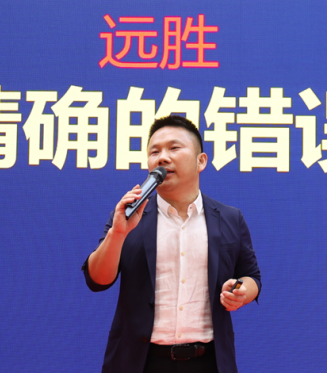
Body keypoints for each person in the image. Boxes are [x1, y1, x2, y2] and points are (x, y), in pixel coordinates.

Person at [82, 115, 262, 373]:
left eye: (174, 148)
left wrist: (242, 291)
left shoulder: (230, 218)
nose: (162, 158)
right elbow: (97, 280)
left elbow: (252, 277)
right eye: (154, 152)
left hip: (209, 361)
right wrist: (118, 233)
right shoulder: (129, 215)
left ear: (201, 161)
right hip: (140, 362)